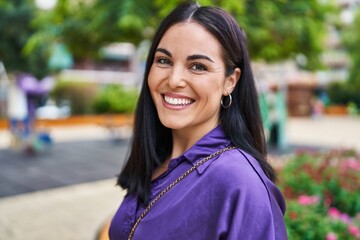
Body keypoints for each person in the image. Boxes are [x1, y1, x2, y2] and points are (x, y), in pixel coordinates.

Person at [109, 2, 288, 239]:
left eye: (197, 66)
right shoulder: (155, 160)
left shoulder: (240, 183)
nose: (174, 80)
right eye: (164, 60)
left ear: (230, 81)